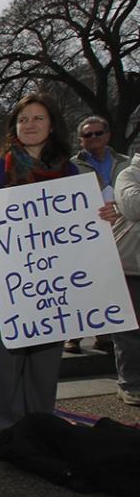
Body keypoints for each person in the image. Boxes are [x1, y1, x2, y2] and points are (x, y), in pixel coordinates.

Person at [0, 92, 80, 440]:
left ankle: (40, 423)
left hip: (54, 278)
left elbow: (83, 218)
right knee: (6, 356)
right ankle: (4, 428)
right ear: (14, 126)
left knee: (46, 359)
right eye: (23, 119)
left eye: (38, 118)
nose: (30, 125)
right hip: (9, 278)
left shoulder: (69, 170)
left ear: (52, 125)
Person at [64, 116, 131, 355]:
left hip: (121, 231)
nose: (93, 138)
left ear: (108, 135)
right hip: (84, 233)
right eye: (87, 135)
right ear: (80, 140)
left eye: (98, 133)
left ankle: (104, 334)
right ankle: (73, 335)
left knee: (110, 285)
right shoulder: (71, 166)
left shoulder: (126, 163)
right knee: (80, 284)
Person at [108, 152, 140, 406]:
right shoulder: (129, 175)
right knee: (129, 331)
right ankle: (130, 384)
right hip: (131, 266)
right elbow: (133, 206)